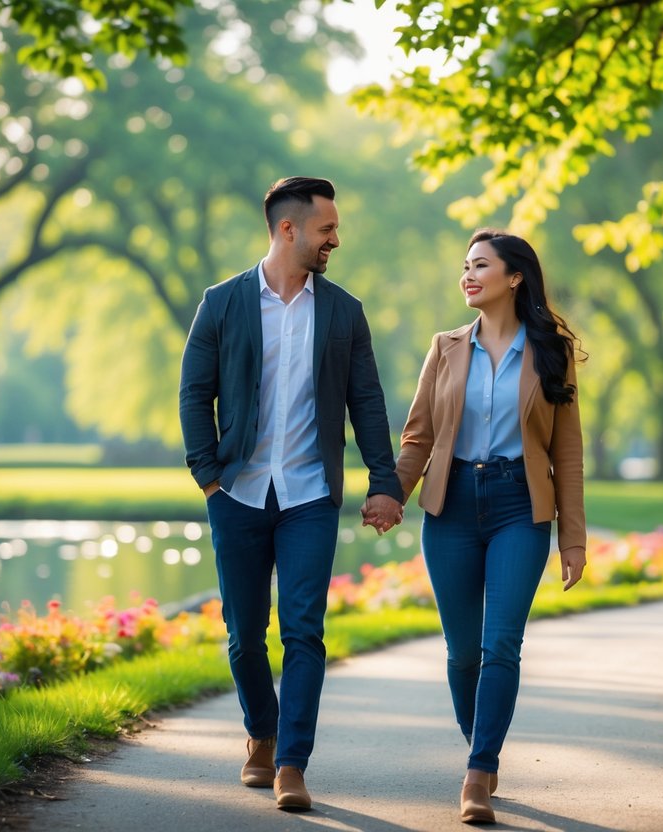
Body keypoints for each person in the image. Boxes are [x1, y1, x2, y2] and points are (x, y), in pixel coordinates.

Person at [179, 176, 404, 813]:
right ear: (289, 229)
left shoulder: (343, 311)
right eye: (327, 229)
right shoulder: (221, 303)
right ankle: (261, 729)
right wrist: (208, 476)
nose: (337, 239)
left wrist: (383, 483)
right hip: (238, 494)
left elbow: (367, 402)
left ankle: (290, 763)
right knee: (244, 634)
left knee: (304, 631)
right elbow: (196, 393)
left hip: (309, 495)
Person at [374, 228, 586, 824]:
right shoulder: (444, 348)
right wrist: (391, 495)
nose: (467, 275)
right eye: (464, 266)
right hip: (452, 507)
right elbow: (418, 436)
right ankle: (483, 752)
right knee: (463, 652)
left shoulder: (551, 351)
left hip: (522, 506)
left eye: (480, 266)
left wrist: (572, 538)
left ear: (514, 277)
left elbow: (566, 452)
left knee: (501, 645)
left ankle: (477, 771)